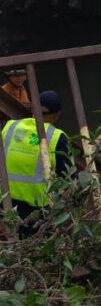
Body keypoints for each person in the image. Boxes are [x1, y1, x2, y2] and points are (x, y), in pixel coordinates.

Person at [2, 90, 72, 234]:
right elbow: (69, 178)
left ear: (33, 109)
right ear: (57, 115)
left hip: (4, 206)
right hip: (36, 213)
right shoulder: (57, 137)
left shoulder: (9, 127)